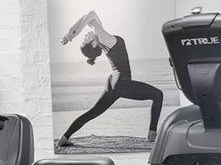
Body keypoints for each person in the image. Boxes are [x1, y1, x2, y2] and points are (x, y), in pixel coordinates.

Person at [56, 10, 164, 150]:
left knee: (94, 111)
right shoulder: (102, 37)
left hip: (113, 81)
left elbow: (91, 17)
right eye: (85, 39)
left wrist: (72, 32)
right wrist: (72, 34)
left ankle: (64, 138)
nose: (86, 35)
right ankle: (152, 134)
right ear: (94, 44)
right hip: (121, 82)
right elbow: (90, 15)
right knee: (158, 95)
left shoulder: (102, 38)